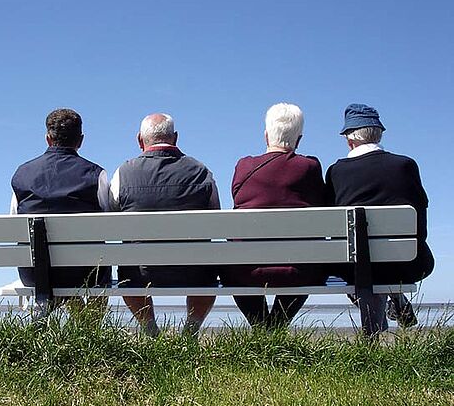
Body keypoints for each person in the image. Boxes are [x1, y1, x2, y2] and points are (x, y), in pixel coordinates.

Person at [109, 113, 220, 336]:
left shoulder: (123, 173)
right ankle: (189, 333)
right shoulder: (201, 172)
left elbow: (112, 219)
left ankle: (152, 332)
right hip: (194, 272)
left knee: (127, 269)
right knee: (208, 267)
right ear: (175, 138)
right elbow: (215, 220)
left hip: (140, 274)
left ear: (139, 140)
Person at [219, 103, 328, 328]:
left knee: (232, 264)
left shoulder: (244, 166)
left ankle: (261, 326)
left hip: (245, 271)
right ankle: (276, 325)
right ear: (299, 140)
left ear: (266, 135)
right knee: (313, 261)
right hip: (299, 272)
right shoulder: (310, 167)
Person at [325, 103, 434, 328]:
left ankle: (378, 326)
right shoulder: (405, 165)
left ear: (349, 139)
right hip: (407, 263)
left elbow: (330, 227)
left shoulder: (336, 172)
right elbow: (420, 219)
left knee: (356, 261)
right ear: (379, 134)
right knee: (380, 262)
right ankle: (396, 299)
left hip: (352, 267)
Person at [10, 108, 111, 311]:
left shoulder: (22, 174)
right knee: (97, 268)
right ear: (80, 140)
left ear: (48, 138)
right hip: (86, 273)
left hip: (35, 272)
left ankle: (73, 319)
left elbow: (14, 223)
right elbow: (108, 222)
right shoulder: (95, 174)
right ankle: (89, 327)